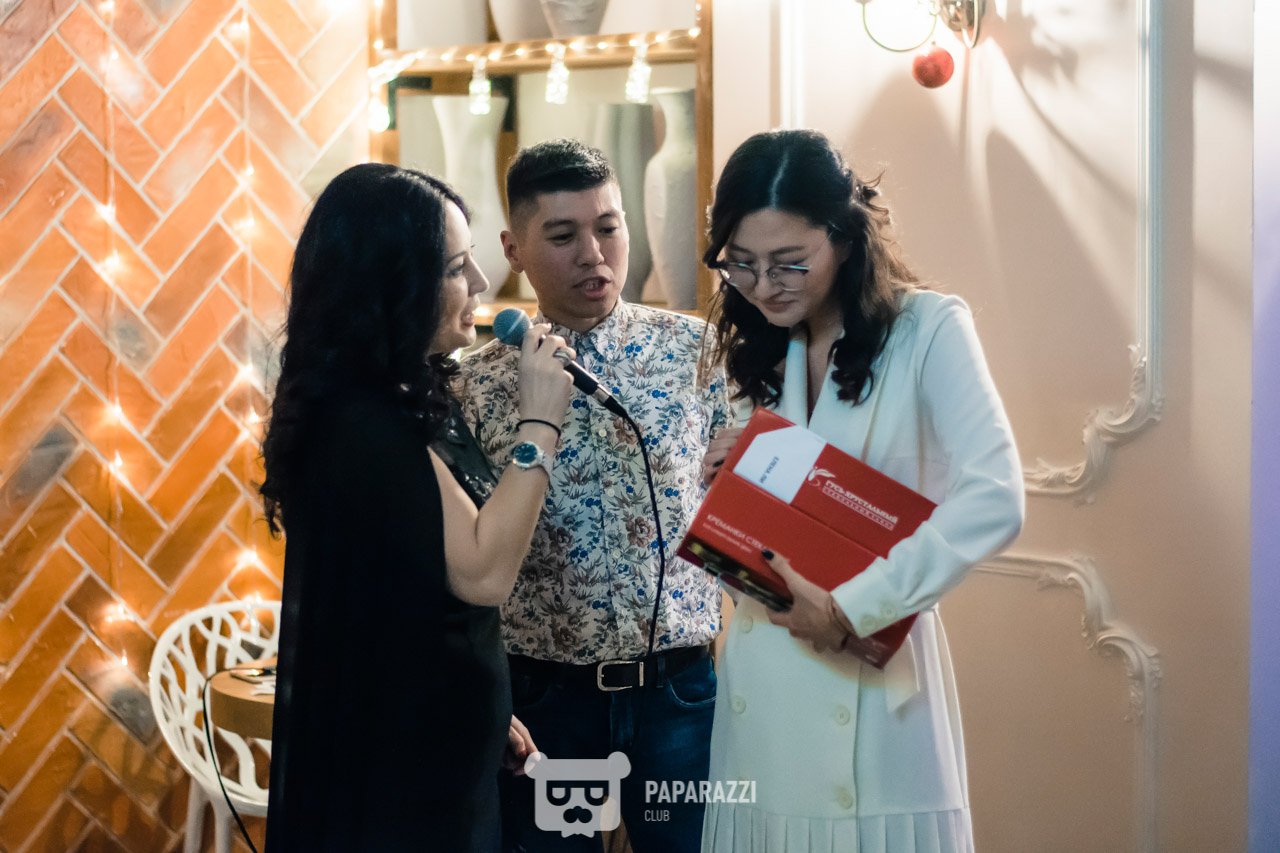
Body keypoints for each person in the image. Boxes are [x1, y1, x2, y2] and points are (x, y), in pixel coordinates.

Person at [698, 129, 1025, 853]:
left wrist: (850, 608)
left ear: (844, 239)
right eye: (740, 263)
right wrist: (727, 487)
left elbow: (996, 495)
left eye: (790, 262)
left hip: (876, 683)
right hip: (762, 689)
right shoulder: (756, 344)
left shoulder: (928, 329)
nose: (764, 285)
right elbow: (761, 546)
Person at [259, 163, 575, 851]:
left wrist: (485, 708)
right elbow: (483, 573)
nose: (481, 283)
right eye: (457, 267)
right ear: (393, 284)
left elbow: (410, 591)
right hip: (401, 782)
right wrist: (540, 423)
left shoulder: (406, 395)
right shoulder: (362, 422)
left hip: (439, 744)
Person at [455, 139, 731, 852]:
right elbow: (459, 563)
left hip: (679, 694)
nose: (593, 254)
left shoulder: (698, 352)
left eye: (608, 227)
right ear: (514, 249)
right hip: (543, 703)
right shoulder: (472, 385)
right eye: (563, 236)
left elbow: (743, 513)